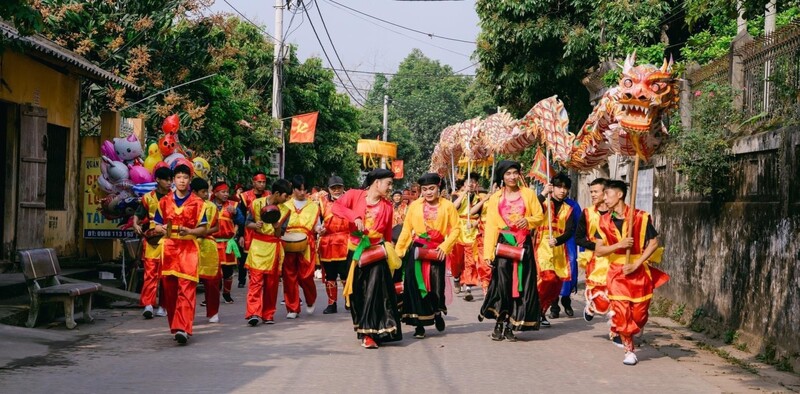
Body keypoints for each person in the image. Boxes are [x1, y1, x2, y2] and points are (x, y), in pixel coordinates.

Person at [595, 180, 668, 365]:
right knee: (622, 313)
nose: (604, 198)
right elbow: (599, 251)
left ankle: (635, 327)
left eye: (607, 194)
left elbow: (653, 243)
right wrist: (619, 245)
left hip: (639, 272)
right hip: (616, 274)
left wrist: (637, 264)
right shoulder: (602, 221)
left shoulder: (641, 217)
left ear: (619, 195)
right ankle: (629, 350)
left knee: (639, 316)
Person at [332, 168, 402, 349]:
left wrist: (389, 252)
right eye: (388, 183)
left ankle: (371, 333)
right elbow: (336, 207)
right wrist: (354, 216)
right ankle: (364, 328)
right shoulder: (355, 195)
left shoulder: (387, 206)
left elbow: (386, 234)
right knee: (358, 294)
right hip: (356, 252)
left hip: (376, 253)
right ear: (376, 182)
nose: (390, 187)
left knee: (375, 292)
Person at [478, 160, 544, 341]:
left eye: (515, 173)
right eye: (508, 174)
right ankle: (499, 322)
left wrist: (528, 221)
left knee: (521, 285)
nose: (512, 177)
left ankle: (511, 325)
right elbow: (491, 226)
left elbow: (540, 216)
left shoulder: (529, 194)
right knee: (502, 285)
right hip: (503, 244)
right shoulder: (495, 198)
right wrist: (488, 253)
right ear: (502, 177)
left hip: (523, 244)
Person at [395, 173, 460, 339]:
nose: (428, 192)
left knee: (436, 288)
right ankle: (419, 325)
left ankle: (437, 313)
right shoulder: (414, 206)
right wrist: (399, 251)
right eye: (425, 189)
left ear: (439, 188)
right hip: (417, 250)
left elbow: (456, 229)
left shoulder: (448, 206)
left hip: (437, 250)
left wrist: (445, 246)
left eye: (432, 188)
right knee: (414, 287)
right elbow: (407, 229)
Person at [152, 163, 207, 345]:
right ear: (174, 180)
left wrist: (190, 231)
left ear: (189, 180)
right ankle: (175, 327)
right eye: (178, 178)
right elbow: (156, 224)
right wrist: (160, 229)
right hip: (169, 249)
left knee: (187, 289)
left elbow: (203, 229)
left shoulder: (198, 203)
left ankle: (184, 327)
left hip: (188, 249)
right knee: (170, 291)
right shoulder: (164, 202)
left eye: (185, 177)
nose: (182, 181)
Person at [244, 179, 292, 326]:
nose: (286, 199)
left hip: (273, 248)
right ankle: (253, 313)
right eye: (285, 196)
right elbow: (247, 223)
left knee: (271, 285)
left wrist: (276, 226)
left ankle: (268, 314)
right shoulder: (256, 204)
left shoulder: (285, 211)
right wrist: (255, 225)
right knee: (255, 282)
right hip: (258, 247)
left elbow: (279, 234)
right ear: (277, 193)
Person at [535, 173, 576, 326]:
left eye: (565, 188)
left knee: (555, 285)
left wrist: (558, 240)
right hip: (542, 247)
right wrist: (543, 194)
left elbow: (570, 231)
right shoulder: (544, 203)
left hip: (559, 250)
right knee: (546, 278)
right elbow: (531, 211)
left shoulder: (569, 209)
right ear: (552, 187)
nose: (562, 191)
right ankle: (534, 308)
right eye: (559, 187)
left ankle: (541, 312)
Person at [132, 166, 173, 319]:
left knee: (166, 276)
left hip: (170, 239)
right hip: (152, 239)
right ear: (157, 180)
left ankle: (163, 306)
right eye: (166, 180)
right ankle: (148, 304)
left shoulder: (175, 198)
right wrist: (136, 224)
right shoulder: (148, 197)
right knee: (150, 273)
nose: (169, 183)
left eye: (170, 180)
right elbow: (138, 213)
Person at [281, 175, 321, 318]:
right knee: (289, 276)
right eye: (299, 189)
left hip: (307, 243)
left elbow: (317, 226)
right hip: (288, 242)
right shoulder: (285, 205)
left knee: (306, 276)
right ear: (293, 189)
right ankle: (292, 308)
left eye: (305, 189)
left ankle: (310, 300)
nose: (302, 192)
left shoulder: (314, 206)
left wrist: (319, 230)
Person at [574, 178, 610, 321]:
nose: (593, 195)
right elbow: (578, 238)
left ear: (606, 193)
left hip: (613, 258)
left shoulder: (616, 213)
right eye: (591, 192)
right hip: (594, 259)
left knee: (613, 291)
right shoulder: (587, 213)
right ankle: (591, 306)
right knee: (596, 289)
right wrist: (598, 247)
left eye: (596, 192)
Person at [318, 176, 350, 314]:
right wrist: (319, 229)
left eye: (339, 187)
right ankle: (332, 303)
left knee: (346, 274)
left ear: (343, 187)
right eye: (333, 188)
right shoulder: (322, 202)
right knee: (330, 275)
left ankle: (349, 301)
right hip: (328, 242)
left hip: (345, 241)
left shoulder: (350, 201)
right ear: (329, 189)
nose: (336, 190)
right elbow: (317, 221)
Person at [450, 173, 484, 301]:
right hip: (458, 231)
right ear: (463, 185)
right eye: (468, 182)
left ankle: (468, 288)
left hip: (472, 232)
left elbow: (482, 215)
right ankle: (456, 277)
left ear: (477, 185)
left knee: (470, 260)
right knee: (457, 260)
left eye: (474, 182)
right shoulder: (456, 195)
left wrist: (476, 222)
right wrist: (464, 193)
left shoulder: (479, 198)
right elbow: (453, 207)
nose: (471, 184)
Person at [192, 178, 221, 323]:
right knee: (188, 282)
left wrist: (205, 231)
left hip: (208, 245)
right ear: (194, 192)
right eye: (203, 192)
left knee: (212, 281)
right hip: (191, 245)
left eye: (206, 191)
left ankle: (213, 312)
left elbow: (217, 227)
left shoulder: (211, 207)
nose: (206, 194)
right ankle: (187, 313)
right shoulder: (187, 206)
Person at [211, 182, 244, 304]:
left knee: (228, 271)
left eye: (227, 192)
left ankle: (226, 293)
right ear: (215, 193)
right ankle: (211, 295)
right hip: (212, 242)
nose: (226, 194)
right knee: (214, 272)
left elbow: (242, 221)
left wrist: (235, 213)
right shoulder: (208, 205)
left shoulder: (233, 205)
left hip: (227, 243)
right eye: (223, 192)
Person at [237, 173, 271, 288]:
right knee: (244, 256)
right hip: (249, 230)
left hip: (264, 229)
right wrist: (240, 234)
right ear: (253, 182)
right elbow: (241, 217)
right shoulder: (245, 196)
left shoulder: (268, 195)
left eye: (263, 182)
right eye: (259, 182)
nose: (261, 184)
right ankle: (242, 279)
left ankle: (260, 277)